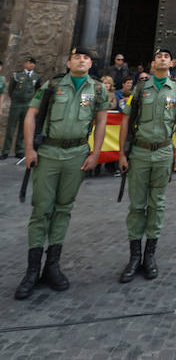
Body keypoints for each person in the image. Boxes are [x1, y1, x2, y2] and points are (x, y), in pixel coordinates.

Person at [14, 47, 109, 300]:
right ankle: (32, 270)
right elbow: (31, 115)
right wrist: (30, 149)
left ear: (91, 64)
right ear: (68, 62)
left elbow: (101, 122)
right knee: (41, 210)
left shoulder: (97, 89)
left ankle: (52, 265)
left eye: (86, 58)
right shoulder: (52, 85)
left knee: (64, 208)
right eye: (77, 57)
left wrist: (96, 153)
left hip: (77, 153)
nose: (81, 60)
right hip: (49, 153)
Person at [118, 48, 176, 283]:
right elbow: (126, 120)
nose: (163, 59)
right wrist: (122, 153)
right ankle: (134, 257)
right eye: (158, 56)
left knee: (157, 205)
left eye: (167, 56)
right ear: (153, 61)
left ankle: (150, 256)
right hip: (140, 152)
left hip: (164, 151)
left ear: (172, 62)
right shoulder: (140, 88)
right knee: (137, 205)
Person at [2, 57, 41, 160]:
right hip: (16, 104)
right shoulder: (17, 75)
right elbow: (11, 89)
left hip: (28, 105)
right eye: (29, 63)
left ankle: (19, 150)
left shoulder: (37, 76)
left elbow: (37, 90)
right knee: (11, 127)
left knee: (23, 128)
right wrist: (15, 98)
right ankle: (5, 151)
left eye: (33, 63)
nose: (31, 65)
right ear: (25, 64)